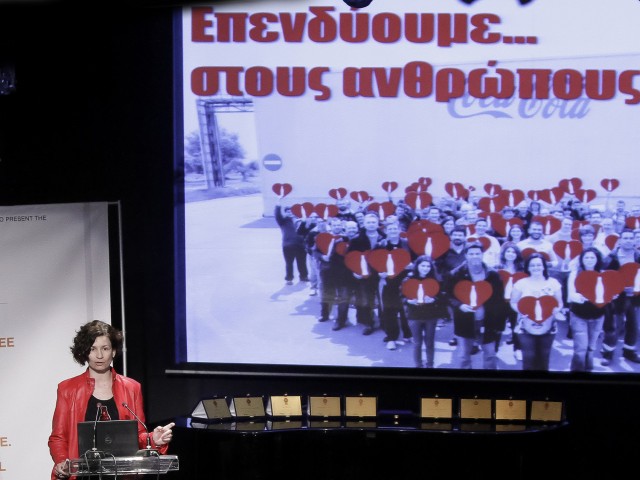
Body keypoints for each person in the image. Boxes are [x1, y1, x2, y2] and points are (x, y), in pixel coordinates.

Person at [49, 320, 174, 479]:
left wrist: (154, 439)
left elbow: (137, 436)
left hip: (120, 475)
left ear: (114, 351)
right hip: (81, 476)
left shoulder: (132, 387)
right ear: (84, 352)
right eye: (92, 349)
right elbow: (58, 437)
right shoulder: (68, 389)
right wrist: (61, 462)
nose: (99, 355)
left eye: (105, 348)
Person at [444, 242, 505, 369]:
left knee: (490, 355)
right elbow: (448, 295)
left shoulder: (493, 275)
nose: (475, 256)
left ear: (482, 255)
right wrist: (459, 305)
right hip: (465, 321)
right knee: (463, 356)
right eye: (471, 254)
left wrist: (500, 325)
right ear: (466, 255)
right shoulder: (455, 274)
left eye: (477, 253)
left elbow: (500, 301)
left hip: (487, 322)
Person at [509, 253, 565, 371]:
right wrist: (521, 311)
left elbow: (559, 303)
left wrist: (557, 309)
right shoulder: (521, 283)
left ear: (544, 266)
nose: (536, 268)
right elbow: (513, 302)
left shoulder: (553, 283)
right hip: (525, 325)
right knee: (529, 358)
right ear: (528, 267)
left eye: (539, 265)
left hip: (548, 325)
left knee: (544, 358)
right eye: (532, 265)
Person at [601, 228, 640, 365]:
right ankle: (607, 353)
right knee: (614, 327)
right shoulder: (611, 257)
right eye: (625, 238)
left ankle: (629, 351)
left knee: (633, 325)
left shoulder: (638, 256)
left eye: (631, 238)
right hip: (616, 297)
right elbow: (604, 277)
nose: (628, 241)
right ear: (620, 240)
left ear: (635, 240)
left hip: (635, 297)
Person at [566, 247, 609, 371]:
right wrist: (583, 296)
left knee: (591, 347)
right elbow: (571, 295)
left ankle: (588, 371)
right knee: (581, 348)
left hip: (598, 316)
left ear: (597, 259)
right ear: (582, 259)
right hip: (579, 315)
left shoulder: (603, 274)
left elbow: (607, 294)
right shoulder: (575, 274)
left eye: (592, 257)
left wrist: (611, 295)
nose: (589, 260)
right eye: (586, 257)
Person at [402, 256, 446, 368]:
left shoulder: (435, 280)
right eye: (423, 266)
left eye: (428, 266)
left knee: (429, 342)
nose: (425, 268)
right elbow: (401, 297)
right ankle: (418, 365)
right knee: (417, 343)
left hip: (430, 315)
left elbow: (441, 296)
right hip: (414, 315)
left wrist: (434, 299)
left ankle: (430, 365)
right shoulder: (408, 280)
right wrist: (409, 301)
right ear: (417, 266)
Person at [275, 201, 309, 285]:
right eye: (288, 212)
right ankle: (289, 279)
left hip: (300, 245)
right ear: (285, 213)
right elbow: (277, 214)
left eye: (291, 211)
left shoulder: (299, 221)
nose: (290, 213)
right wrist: (279, 201)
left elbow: (304, 229)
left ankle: (304, 276)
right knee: (289, 263)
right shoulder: (283, 222)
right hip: (288, 245)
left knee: (302, 262)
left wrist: (303, 216)